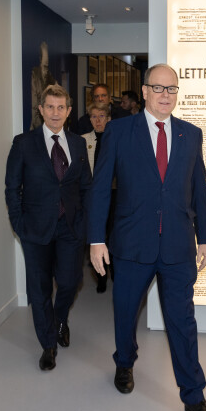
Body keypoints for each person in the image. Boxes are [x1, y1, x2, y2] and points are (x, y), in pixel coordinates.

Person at [88, 64, 206, 411]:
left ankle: (194, 397)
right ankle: (125, 361)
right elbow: (100, 188)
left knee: (183, 323)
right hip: (131, 245)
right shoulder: (118, 131)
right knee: (126, 312)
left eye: (172, 89)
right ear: (144, 91)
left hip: (178, 246)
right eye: (158, 88)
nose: (166, 95)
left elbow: (200, 189)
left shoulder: (190, 135)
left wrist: (205, 236)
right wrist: (96, 239)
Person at [5, 84, 91, 371]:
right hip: (36, 230)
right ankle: (48, 344)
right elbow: (11, 188)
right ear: (41, 110)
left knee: (69, 281)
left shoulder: (78, 144)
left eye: (61, 107)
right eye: (50, 107)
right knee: (40, 289)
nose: (55, 113)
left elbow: (86, 186)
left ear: (68, 111)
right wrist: (19, 224)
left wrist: (85, 221)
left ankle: (61, 318)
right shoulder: (23, 143)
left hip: (70, 228)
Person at [81, 101, 114, 292]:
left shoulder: (116, 139)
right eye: (94, 117)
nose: (98, 121)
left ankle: (115, 272)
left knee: (113, 237)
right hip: (92, 196)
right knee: (96, 237)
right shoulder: (83, 140)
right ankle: (100, 277)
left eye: (101, 116)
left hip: (114, 195)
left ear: (108, 118)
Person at [29, 42, 58, 130]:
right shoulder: (35, 74)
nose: (46, 70)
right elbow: (34, 106)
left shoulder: (49, 76)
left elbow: (59, 91)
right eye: (44, 66)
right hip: (37, 123)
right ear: (40, 59)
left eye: (47, 66)